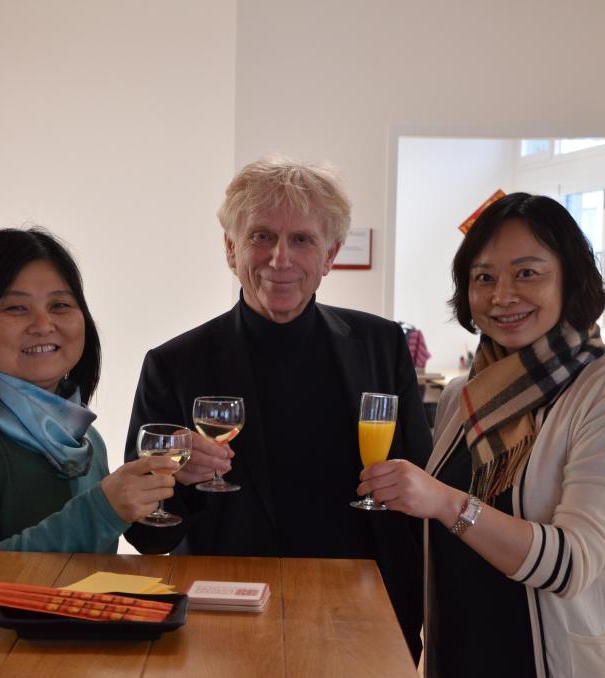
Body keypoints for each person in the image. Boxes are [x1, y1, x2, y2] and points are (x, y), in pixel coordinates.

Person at [124, 155, 432, 660]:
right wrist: (175, 479)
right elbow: (146, 535)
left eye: (302, 239)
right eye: (261, 236)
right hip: (226, 618)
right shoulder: (174, 364)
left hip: (366, 611)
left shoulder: (381, 345)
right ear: (231, 248)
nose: (279, 258)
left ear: (331, 254)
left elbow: (420, 487)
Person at [359, 192, 605, 677]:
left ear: (571, 279)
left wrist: (446, 503)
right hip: (462, 658)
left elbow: (571, 564)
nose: (502, 296)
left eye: (527, 273)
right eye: (484, 278)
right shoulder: (465, 395)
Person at [0, 228, 176, 552]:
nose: (43, 325)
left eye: (60, 305)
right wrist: (100, 512)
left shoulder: (86, 440)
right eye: (16, 308)